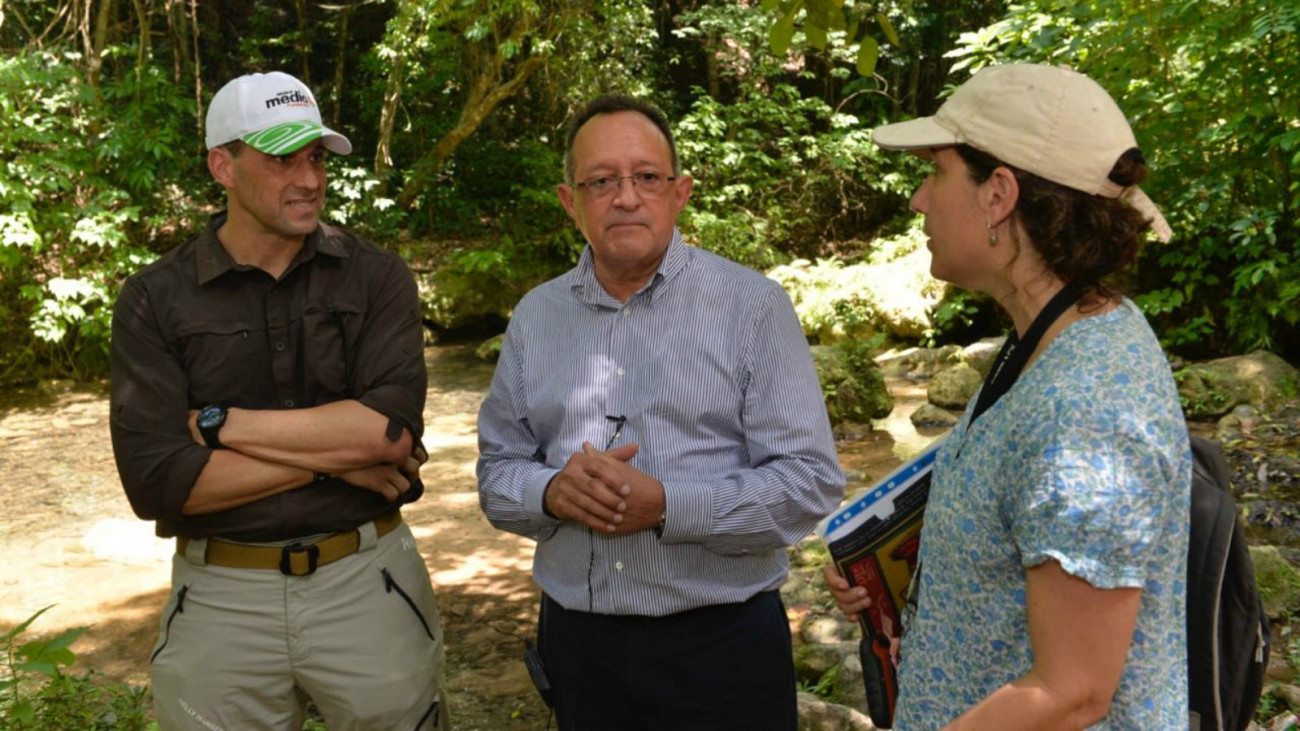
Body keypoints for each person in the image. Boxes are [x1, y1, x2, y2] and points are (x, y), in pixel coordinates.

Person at [824, 63, 1190, 728]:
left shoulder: (1085, 407)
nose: (917, 199)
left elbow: (1072, 692)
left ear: (997, 194)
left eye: (935, 172)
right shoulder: (1045, 335)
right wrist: (902, 581)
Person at [476, 94, 845, 730]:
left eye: (646, 177)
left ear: (681, 192)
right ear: (571, 202)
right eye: (601, 181)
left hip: (723, 646)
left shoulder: (752, 307)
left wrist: (668, 506)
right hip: (579, 645)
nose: (625, 197)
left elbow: (809, 482)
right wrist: (552, 492)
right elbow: (496, 473)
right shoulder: (537, 317)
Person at [110, 71, 450, 730]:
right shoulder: (154, 299)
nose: (310, 178)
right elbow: (160, 484)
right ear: (223, 166)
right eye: (281, 158)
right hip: (220, 599)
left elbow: (385, 437)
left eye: (317, 157)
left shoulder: (376, 276)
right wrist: (337, 457)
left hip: (368, 583)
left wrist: (218, 426)